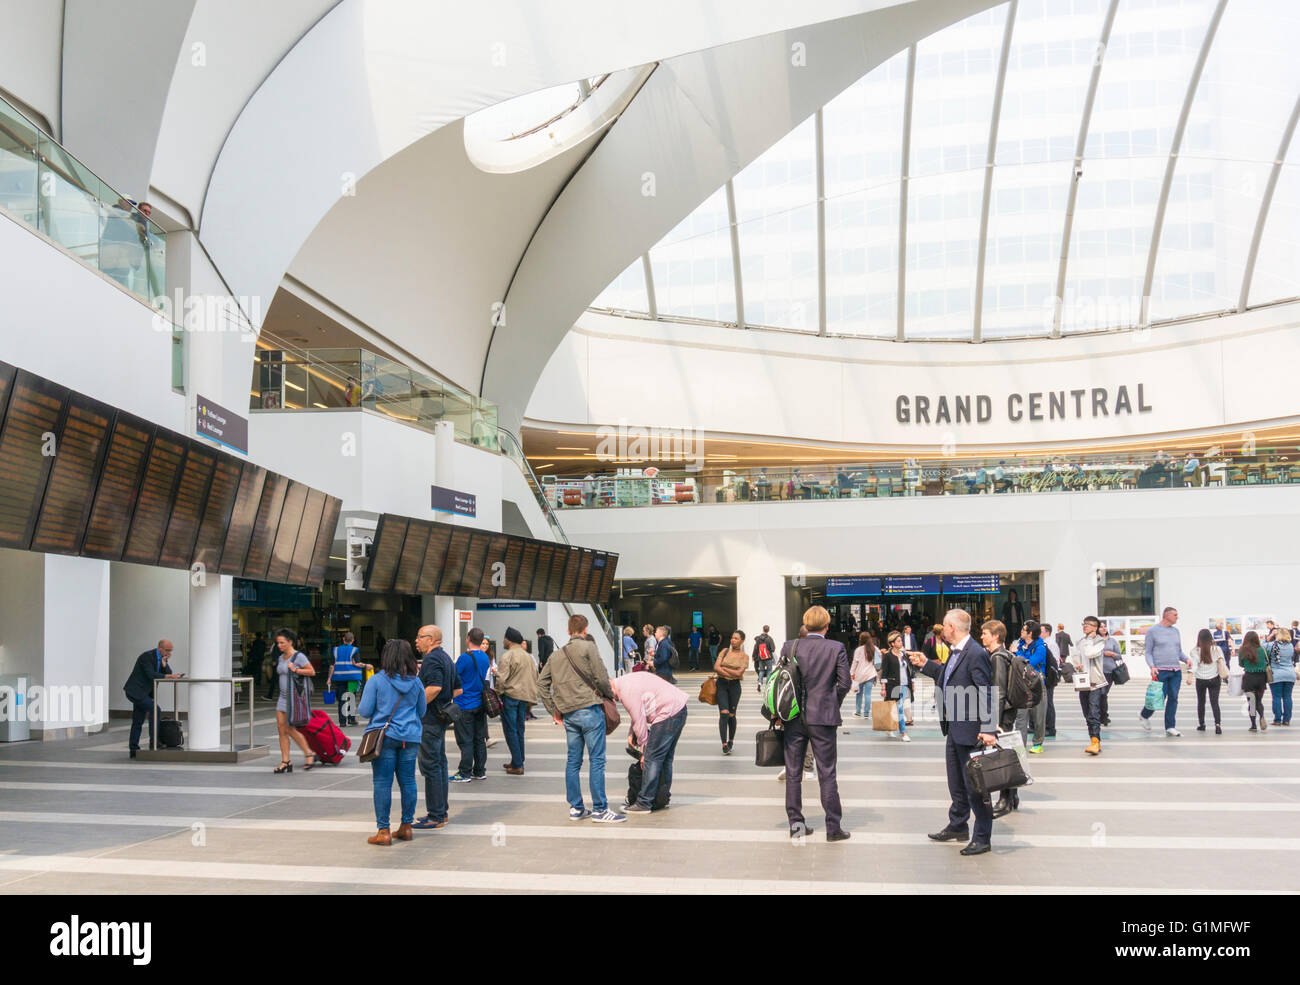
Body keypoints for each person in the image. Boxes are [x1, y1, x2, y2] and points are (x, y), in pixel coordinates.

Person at [913, 609, 999, 856]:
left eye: (944, 625)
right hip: (954, 728)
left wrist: (988, 728)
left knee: (976, 786)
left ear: (952, 627)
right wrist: (926, 664)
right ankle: (958, 825)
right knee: (957, 783)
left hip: (972, 731)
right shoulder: (956, 652)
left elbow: (986, 691)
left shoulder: (975, 653)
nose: (941, 629)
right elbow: (947, 677)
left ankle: (982, 837)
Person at [538, 613, 624, 822]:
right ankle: (600, 809)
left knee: (573, 761)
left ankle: (576, 807)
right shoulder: (589, 647)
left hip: (569, 714)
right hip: (589, 710)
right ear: (585, 630)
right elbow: (602, 677)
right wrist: (609, 695)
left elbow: (541, 684)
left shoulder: (556, 656)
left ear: (568, 631)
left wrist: (554, 710)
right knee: (597, 760)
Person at [780, 606, 851, 841]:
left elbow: (780, 680)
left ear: (805, 624)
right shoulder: (836, 648)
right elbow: (844, 683)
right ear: (827, 625)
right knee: (827, 772)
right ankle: (833, 828)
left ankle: (796, 824)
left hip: (793, 718)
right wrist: (832, 702)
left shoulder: (790, 646)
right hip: (824, 718)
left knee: (793, 772)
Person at [359, 639, 427, 845]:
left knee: (382, 783)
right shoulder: (416, 682)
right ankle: (406, 827)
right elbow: (422, 710)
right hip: (411, 737)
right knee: (408, 782)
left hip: (385, 737)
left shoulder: (377, 680)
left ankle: (384, 830)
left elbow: (364, 711)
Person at [611, 671, 688, 813]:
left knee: (651, 759)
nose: (613, 701)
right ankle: (662, 798)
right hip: (678, 709)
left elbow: (639, 721)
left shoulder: (625, 692)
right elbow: (639, 712)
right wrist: (631, 733)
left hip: (667, 714)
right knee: (665, 759)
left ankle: (644, 803)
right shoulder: (625, 681)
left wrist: (644, 750)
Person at [413, 624, 461, 829]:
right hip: (441, 719)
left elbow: (434, 687)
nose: (416, 640)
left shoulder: (432, 659)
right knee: (439, 765)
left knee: (430, 766)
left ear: (431, 639)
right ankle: (441, 812)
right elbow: (458, 689)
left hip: (430, 720)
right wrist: (444, 702)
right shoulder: (447, 658)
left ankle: (435, 816)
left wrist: (415, 707)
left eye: (420, 636)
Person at [984, 619, 1026, 817]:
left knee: (1003, 756)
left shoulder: (997, 657)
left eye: (985, 633)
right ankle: (1012, 795)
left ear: (996, 636)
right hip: (1010, 710)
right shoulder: (1008, 654)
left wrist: (994, 721)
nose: (982, 636)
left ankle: (1005, 799)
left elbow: (998, 690)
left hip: (1003, 713)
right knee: (1008, 752)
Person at [123, 639, 182, 758]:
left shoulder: (162, 658)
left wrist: (165, 664)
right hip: (135, 691)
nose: (169, 653)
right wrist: (169, 675)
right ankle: (154, 742)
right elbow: (151, 674)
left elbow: (168, 673)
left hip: (144, 693)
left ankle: (133, 749)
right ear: (160, 648)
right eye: (167, 650)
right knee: (155, 710)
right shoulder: (147, 657)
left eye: (171, 651)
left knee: (138, 720)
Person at [1139, 606, 1191, 736]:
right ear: (1166, 615)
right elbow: (1148, 652)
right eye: (1175, 615)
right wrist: (1152, 666)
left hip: (1175, 670)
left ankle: (1170, 726)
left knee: (1173, 698)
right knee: (1158, 698)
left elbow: (1178, 651)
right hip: (1160, 670)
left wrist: (1186, 659)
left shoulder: (1176, 631)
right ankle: (1144, 715)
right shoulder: (1152, 631)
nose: (1177, 617)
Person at [271, 628, 318, 773]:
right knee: (281, 729)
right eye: (278, 643)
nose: (279, 645)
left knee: (290, 729)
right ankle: (286, 761)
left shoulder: (299, 657)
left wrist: (296, 670)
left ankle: (309, 753)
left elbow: (312, 671)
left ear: (290, 642)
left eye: (282, 643)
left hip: (293, 697)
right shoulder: (281, 657)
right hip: (282, 697)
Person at [496, 627, 539, 774]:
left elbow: (501, 679)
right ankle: (517, 760)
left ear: (509, 639)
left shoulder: (507, 656)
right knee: (520, 729)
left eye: (504, 638)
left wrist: (497, 693)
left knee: (510, 730)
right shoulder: (528, 657)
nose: (503, 641)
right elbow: (535, 676)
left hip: (510, 696)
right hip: (524, 698)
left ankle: (517, 765)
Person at [451, 628, 491, 782]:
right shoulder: (485, 658)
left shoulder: (464, 658)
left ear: (468, 639)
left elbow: (454, 676)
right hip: (480, 704)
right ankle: (479, 771)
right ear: (481, 641)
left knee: (465, 740)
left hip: (464, 703)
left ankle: (464, 772)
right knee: (479, 739)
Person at [1074, 617, 1108, 756]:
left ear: (1095, 627)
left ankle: (1095, 741)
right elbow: (1075, 656)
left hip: (1096, 682)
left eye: (1088, 625)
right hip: (1083, 682)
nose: (1085, 627)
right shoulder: (1080, 641)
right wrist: (1077, 664)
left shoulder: (1099, 641)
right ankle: (1093, 739)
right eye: (1084, 624)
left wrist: (1089, 640)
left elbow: (1090, 653)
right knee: (1087, 712)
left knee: (1094, 712)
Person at [713, 630, 748, 754]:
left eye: (736, 638)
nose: (733, 640)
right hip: (721, 684)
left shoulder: (744, 656)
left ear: (742, 641)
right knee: (724, 713)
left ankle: (731, 740)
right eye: (732, 638)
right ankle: (724, 744)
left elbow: (739, 674)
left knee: (732, 715)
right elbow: (716, 667)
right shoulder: (724, 651)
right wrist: (730, 672)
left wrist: (724, 668)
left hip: (735, 687)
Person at [1190, 627, 1228, 734]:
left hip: (1200, 680)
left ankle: (1202, 724)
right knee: (1214, 702)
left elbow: (1194, 665)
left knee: (1201, 702)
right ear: (1210, 638)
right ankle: (1218, 725)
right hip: (1214, 679)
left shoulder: (1195, 651)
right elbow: (1222, 663)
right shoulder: (1217, 649)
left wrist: (1189, 676)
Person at [325, 631, 367, 727]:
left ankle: (342, 722)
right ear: (352, 640)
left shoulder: (335, 650)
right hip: (352, 678)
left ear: (343, 639)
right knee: (351, 698)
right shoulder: (354, 650)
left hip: (339, 678)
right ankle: (351, 719)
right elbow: (357, 663)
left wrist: (329, 678)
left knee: (341, 700)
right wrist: (366, 665)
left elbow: (332, 666)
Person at [1019, 621, 1048, 753]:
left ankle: (1037, 743)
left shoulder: (1040, 647)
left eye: (1024, 630)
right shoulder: (1020, 645)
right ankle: (1020, 744)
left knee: (1038, 715)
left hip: (1037, 684)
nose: (1021, 632)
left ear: (1030, 633)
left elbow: (1030, 663)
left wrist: (1019, 657)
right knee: (1021, 715)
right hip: (1022, 683)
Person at [879, 631, 913, 742]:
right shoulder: (888, 656)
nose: (901, 642)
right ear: (892, 643)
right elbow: (884, 673)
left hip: (904, 685)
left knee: (897, 708)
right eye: (898, 641)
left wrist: (912, 682)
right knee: (899, 708)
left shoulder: (904, 655)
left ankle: (889, 727)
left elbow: (909, 670)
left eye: (901, 640)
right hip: (893, 685)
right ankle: (903, 733)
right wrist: (883, 687)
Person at [1238, 632, 1269, 732]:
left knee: (1251, 702)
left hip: (1249, 678)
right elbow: (1267, 661)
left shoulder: (1242, 650)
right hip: (1261, 678)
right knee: (1259, 701)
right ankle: (1262, 716)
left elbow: (1241, 664)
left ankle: (1253, 725)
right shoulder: (1262, 649)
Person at [1266, 628, 1295, 727]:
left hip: (1276, 675)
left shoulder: (1271, 645)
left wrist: (1270, 636)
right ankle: (1287, 720)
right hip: (1290, 674)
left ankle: (1277, 719)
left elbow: (1261, 646)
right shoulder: (1291, 646)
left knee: (1277, 697)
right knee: (1287, 697)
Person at [1039, 620, 1061, 738]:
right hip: (1045, 675)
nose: (1039, 633)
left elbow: (1054, 661)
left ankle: (1050, 727)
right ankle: (1045, 726)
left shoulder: (1050, 644)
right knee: (1044, 702)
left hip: (1049, 676)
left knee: (1049, 702)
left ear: (1047, 633)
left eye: (1041, 631)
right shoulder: (1043, 643)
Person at [850, 631, 878, 718]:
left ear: (861, 639)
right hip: (870, 674)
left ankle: (858, 712)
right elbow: (879, 662)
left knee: (859, 694)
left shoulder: (858, 650)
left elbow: (855, 663)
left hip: (859, 675)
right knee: (868, 694)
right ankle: (866, 713)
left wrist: (852, 673)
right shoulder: (874, 648)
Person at [1098, 623, 1122, 725]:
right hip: (1098, 671)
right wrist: (1102, 653)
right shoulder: (1095, 641)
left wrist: (1111, 654)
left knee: (1103, 694)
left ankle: (1103, 716)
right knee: (1099, 694)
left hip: (1109, 671)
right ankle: (1100, 715)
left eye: (1105, 626)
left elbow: (1119, 656)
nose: (1104, 628)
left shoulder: (1112, 641)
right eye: (1101, 627)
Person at [752, 625, 778, 693]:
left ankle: (760, 682)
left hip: (760, 658)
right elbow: (773, 649)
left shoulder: (758, 639)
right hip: (768, 657)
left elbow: (756, 648)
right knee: (769, 670)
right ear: (768, 630)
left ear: (763, 629)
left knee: (761, 671)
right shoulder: (769, 638)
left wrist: (754, 656)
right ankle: (767, 685)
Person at [242, 632, 266, 699]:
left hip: (255, 658)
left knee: (255, 670)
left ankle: (255, 681)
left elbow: (253, 651)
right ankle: (258, 681)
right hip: (260, 658)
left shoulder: (255, 642)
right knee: (259, 670)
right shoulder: (263, 642)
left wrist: (250, 657)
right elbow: (263, 650)